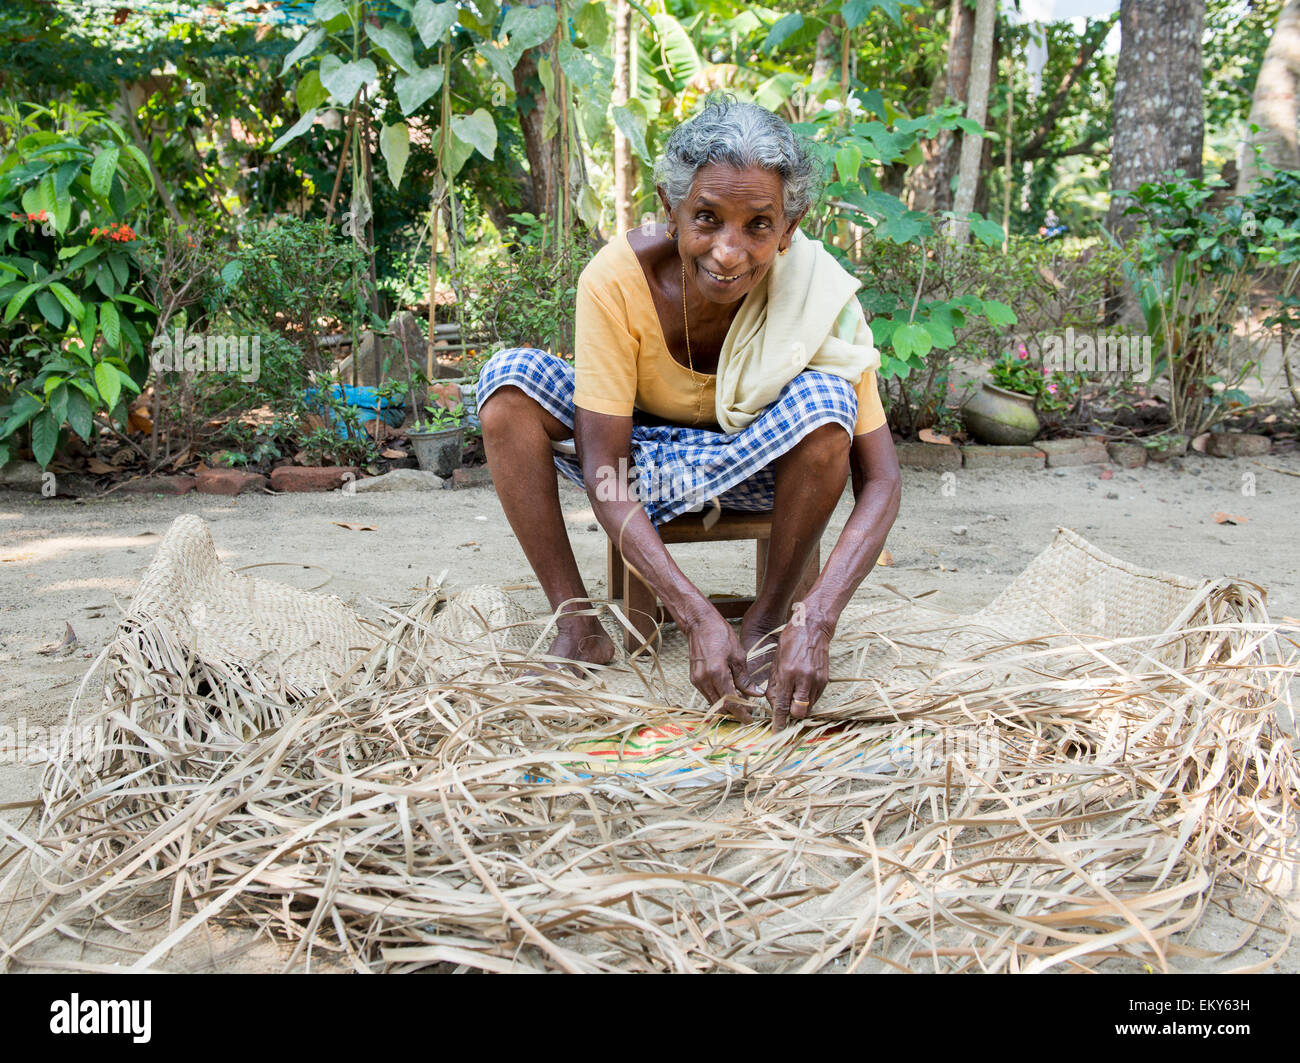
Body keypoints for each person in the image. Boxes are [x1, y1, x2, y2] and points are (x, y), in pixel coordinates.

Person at [477, 99, 900, 729]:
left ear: (789, 228)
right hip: (639, 466)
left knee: (829, 403)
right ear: (668, 209)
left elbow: (883, 480)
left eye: (759, 225)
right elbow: (606, 472)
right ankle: (577, 626)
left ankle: (766, 623)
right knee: (507, 383)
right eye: (706, 218)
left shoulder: (819, 291)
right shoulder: (616, 280)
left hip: (753, 462)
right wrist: (695, 614)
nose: (729, 252)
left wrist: (818, 619)